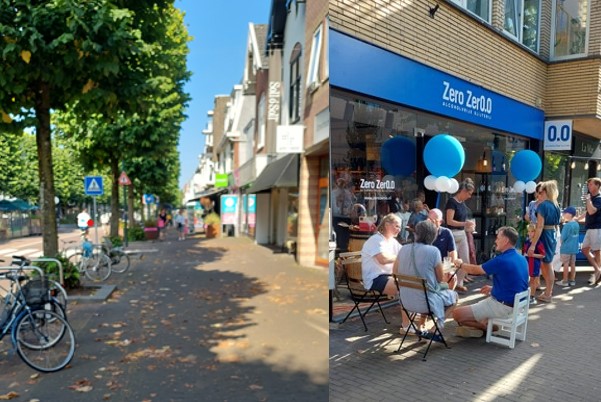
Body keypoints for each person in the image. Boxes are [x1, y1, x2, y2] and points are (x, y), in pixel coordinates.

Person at [452, 226, 529, 338]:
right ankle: (483, 324)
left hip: (501, 306)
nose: (495, 241)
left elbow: (476, 270)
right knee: (475, 312)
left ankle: (488, 328)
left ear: (506, 240)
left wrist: (460, 264)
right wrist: (494, 289)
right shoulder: (521, 258)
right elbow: (516, 283)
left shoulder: (501, 260)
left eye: (498, 238)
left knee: (456, 314)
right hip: (516, 306)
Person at [395, 220, 458, 333]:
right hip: (425, 303)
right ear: (433, 236)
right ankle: (435, 330)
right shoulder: (433, 251)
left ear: (416, 234)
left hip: (405, 301)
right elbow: (439, 279)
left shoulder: (403, 249)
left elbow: (395, 273)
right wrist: (447, 285)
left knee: (427, 289)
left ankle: (421, 325)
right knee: (454, 296)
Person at [527, 180, 561, 303]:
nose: (538, 194)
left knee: (547, 264)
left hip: (544, 235)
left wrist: (533, 244)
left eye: (541, 192)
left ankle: (548, 293)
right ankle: (548, 292)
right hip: (552, 234)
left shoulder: (543, 205)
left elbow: (540, 226)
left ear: (546, 192)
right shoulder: (555, 205)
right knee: (547, 263)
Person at [445, 178, 476, 293]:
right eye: (469, 193)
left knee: (465, 260)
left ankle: (459, 283)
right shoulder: (451, 202)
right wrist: (465, 223)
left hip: (461, 233)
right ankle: (449, 284)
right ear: (462, 191)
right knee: (452, 261)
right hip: (452, 234)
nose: (469, 196)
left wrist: (468, 227)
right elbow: (449, 221)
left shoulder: (462, 203)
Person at [578, 177, 601, 285]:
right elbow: (588, 211)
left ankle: (597, 273)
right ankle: (598, 270)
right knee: (585, 250)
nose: (589, 186)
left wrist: (587, 199)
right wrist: (577, 219)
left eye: (591, 184)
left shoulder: (599, 198)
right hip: (590, 227)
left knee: (597, 251)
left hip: (597, 228)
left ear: (597, 186)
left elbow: (592, 211)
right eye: (588, 185)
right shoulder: (592, 197)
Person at [522, 223, 545, 305]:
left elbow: (543, 255)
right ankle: (527, 295)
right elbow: (524, 252)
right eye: (529, 231)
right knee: (526, 280)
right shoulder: (527, 242)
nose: (530, 233)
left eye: (532, 231)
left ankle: (532, 296)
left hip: (534, 264)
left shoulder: (538, 243)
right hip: (526, 263)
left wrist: (532, 255)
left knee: (533, 280)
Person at [557, 206, 579, 287]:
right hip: (574, 248)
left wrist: (560, 245)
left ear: (570, 214)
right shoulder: (576, 224)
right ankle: (572, 280)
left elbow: (562, 238)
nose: (563, 214)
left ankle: (565, 281)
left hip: (566, 248)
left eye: (565, 213)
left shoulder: (567, 226)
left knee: (565, 264)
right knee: (573, 264)